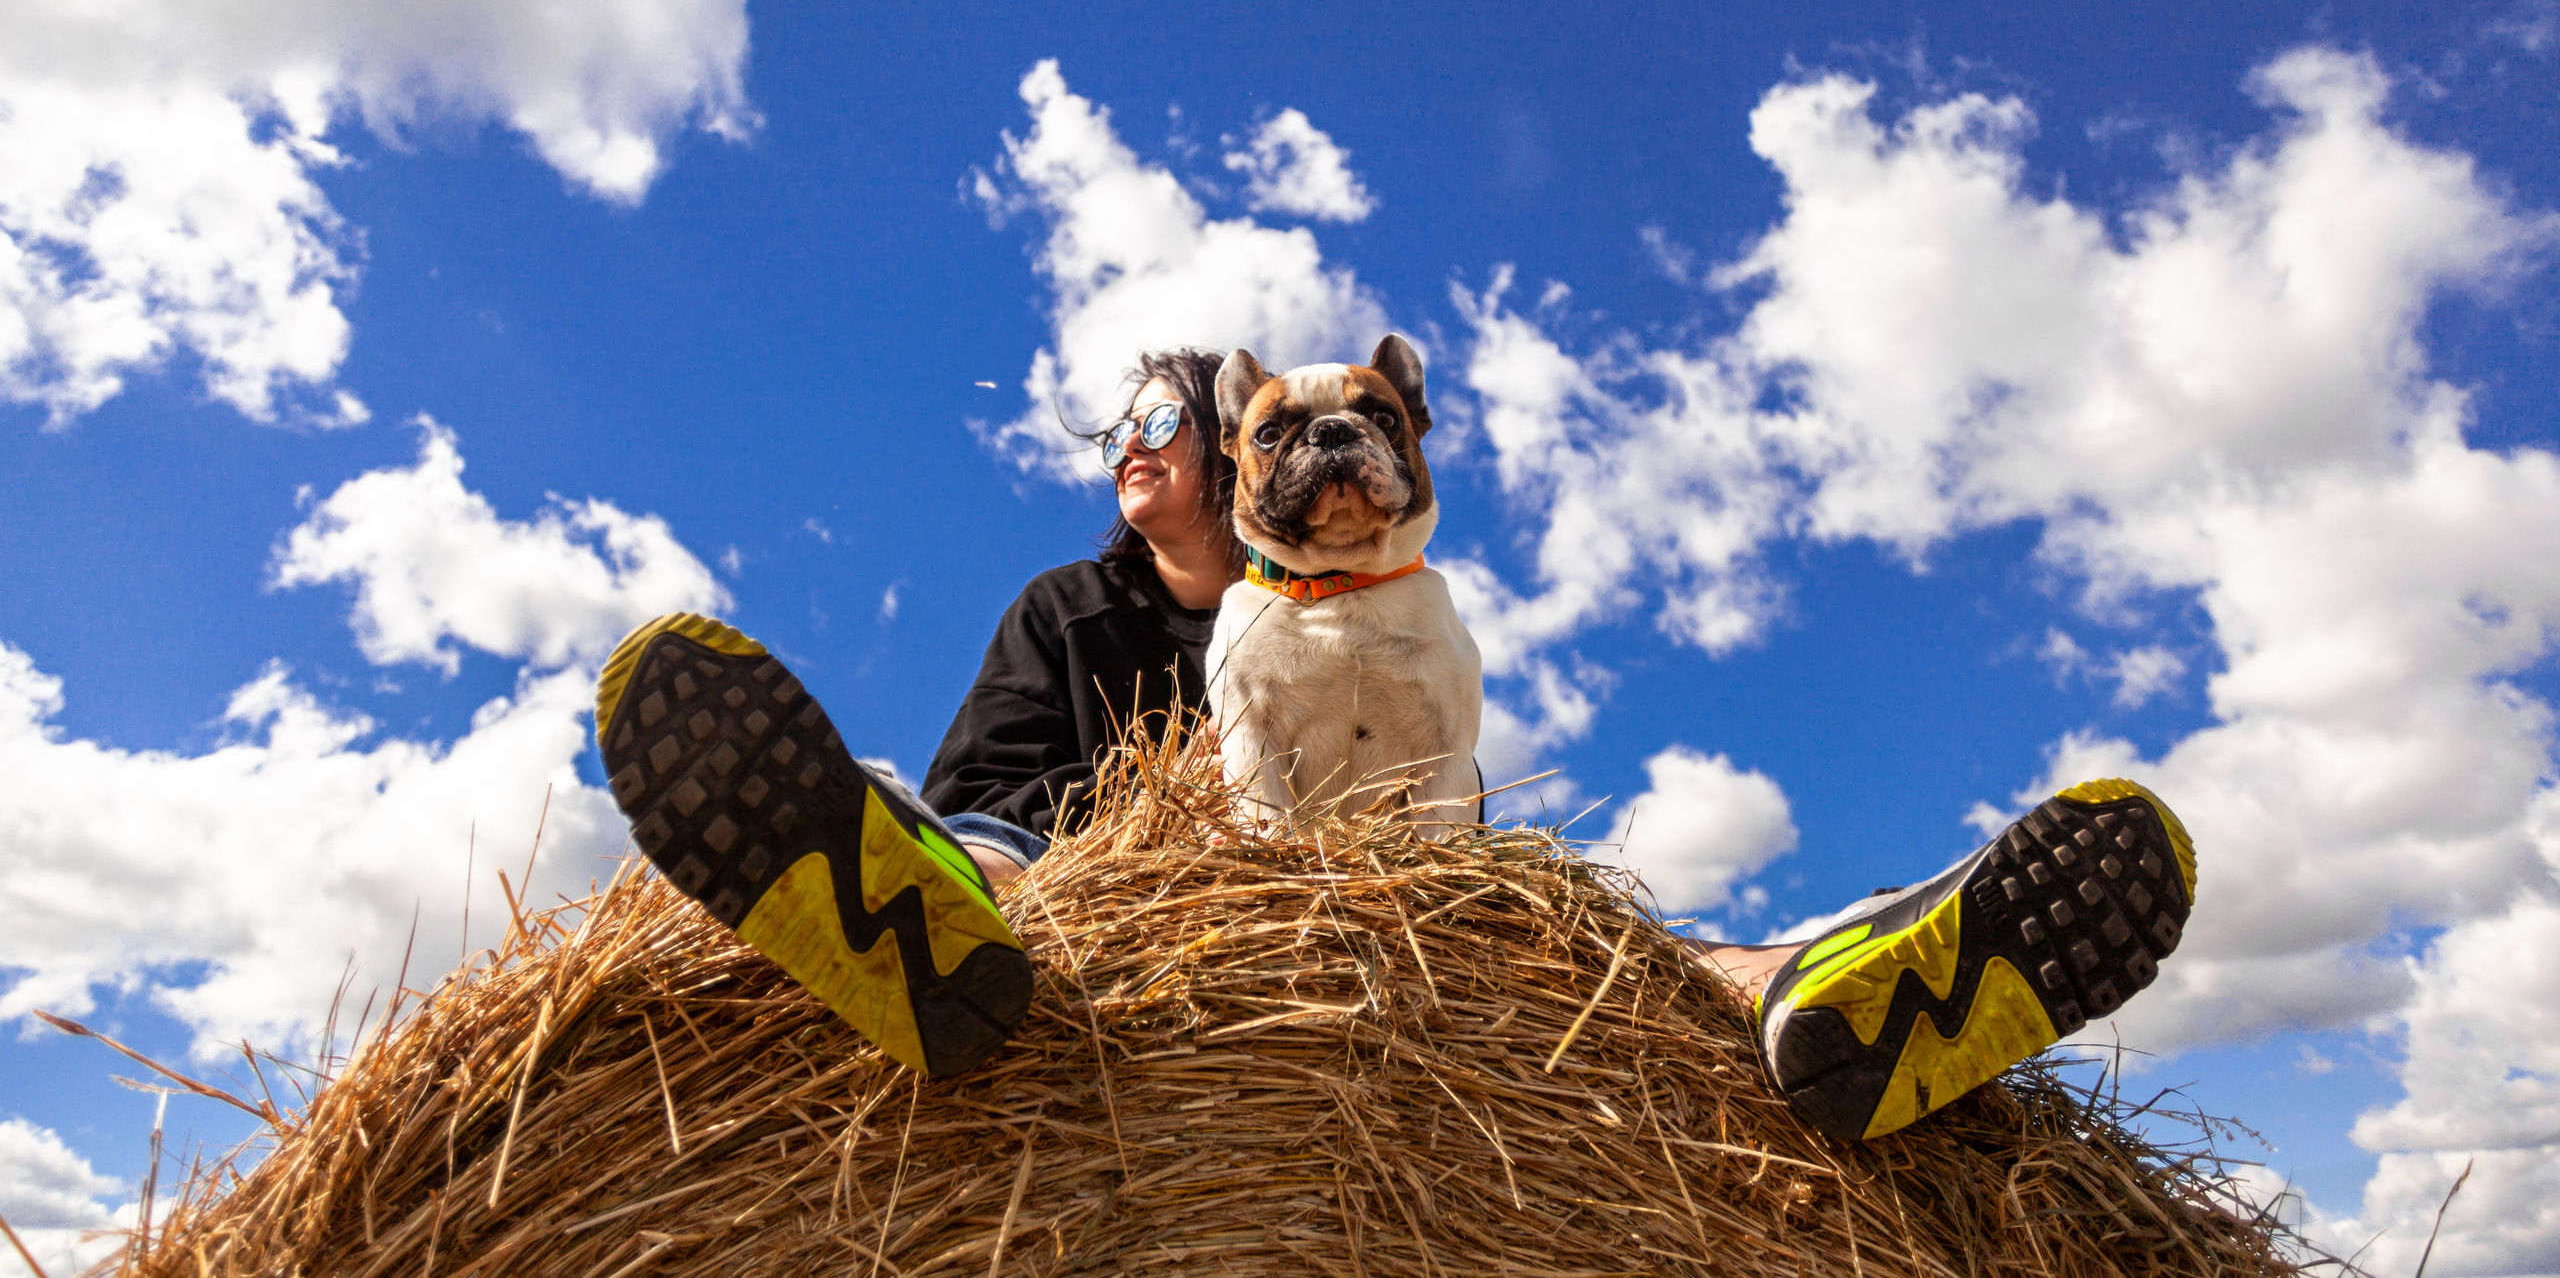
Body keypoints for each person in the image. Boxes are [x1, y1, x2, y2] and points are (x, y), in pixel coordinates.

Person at [592, 345, 2194, 1140]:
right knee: (979, 850)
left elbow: (1445, 781)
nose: (1132, 451)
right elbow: (992, 788)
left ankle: (1829, 987)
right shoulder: (1065, 612)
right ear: (1248, 450)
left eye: (1161, 422)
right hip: (1080, 899)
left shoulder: (1396, 600)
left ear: (1226, 457)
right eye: (1125, 431)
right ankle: (893, 920)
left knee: (1618, 936)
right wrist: (1129, 852)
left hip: (1423, 876)